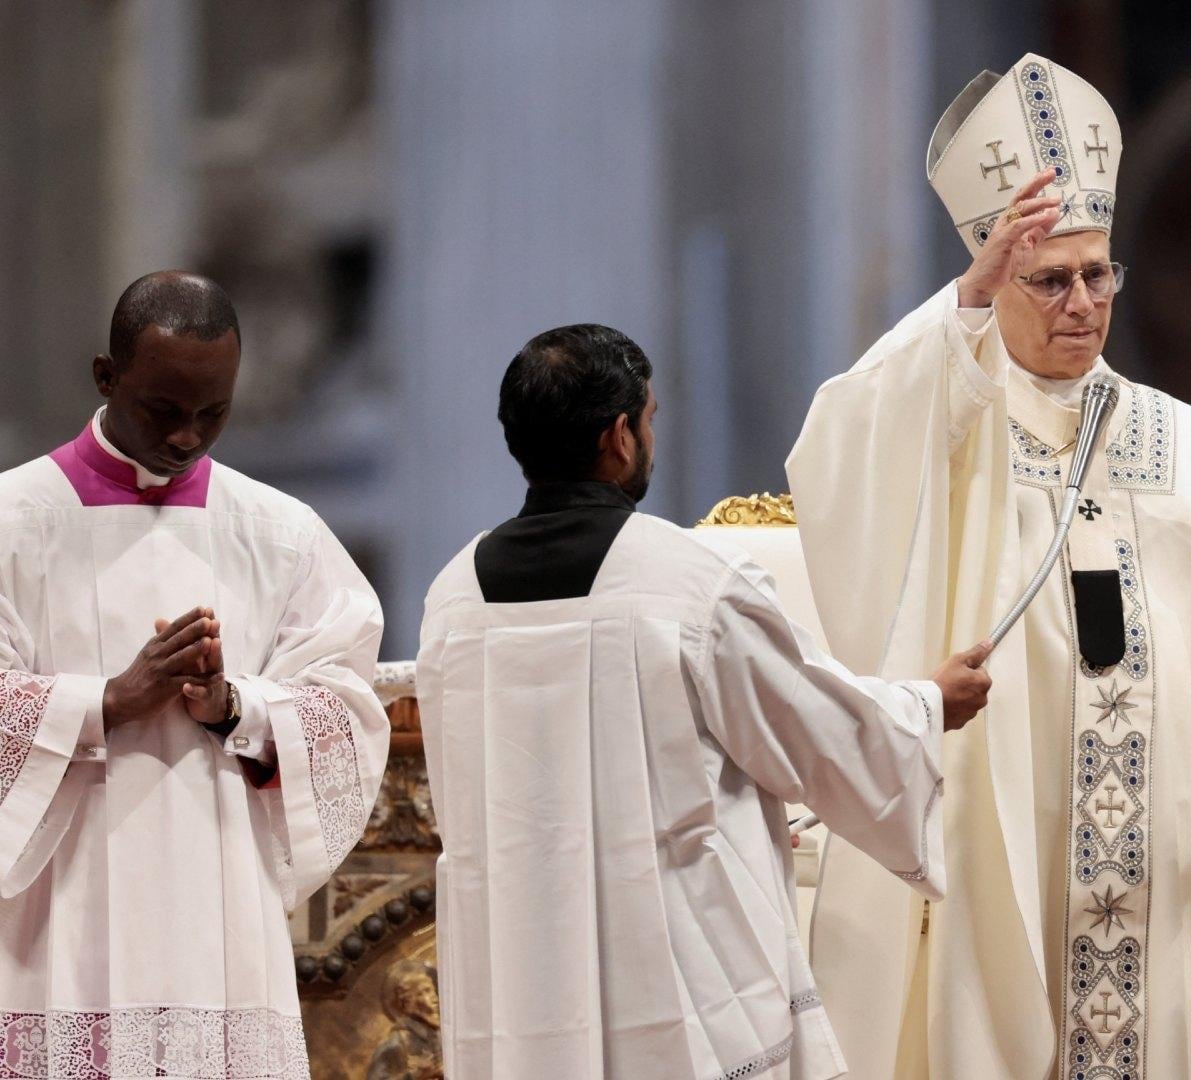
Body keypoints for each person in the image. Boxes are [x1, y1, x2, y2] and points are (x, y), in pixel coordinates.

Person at [787, 53, 1191, 1079]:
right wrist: (963, 298)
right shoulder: (946, 419)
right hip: (1005, 844)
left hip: (1166, 865)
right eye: (1050, 279)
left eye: (1099, 275)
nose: (1081, 302)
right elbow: (841, 453)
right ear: (999, 279)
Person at [416, 324, 993, 1079]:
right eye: (650, 418)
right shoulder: (686, 581)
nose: (650, 434)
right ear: (619, 435)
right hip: (672, 978)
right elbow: (813, 727)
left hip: (519, 981)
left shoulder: (453, 596)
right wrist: (926, 705)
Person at [0, 270, 389, 1075]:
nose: (187, 438)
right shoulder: (15, 521)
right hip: (57, 922)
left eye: (213, 413)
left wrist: (235, 706)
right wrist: (107, 701)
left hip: (219, 915)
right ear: (106, 377)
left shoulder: (279, 532)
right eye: (164, 411)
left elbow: (346, 705)